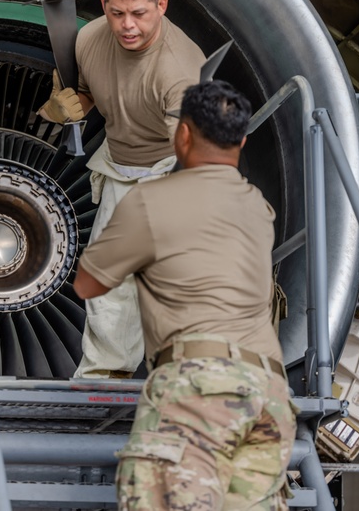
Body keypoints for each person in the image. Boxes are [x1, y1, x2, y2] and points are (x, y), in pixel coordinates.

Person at [73, 80, 295, 511]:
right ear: (243, 140)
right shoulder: (258, 207)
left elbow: (89, 284)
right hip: (269, 395)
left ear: (184, 134)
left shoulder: (152, 201)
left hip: (201, 386)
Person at [38, 0, 205, 378]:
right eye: (117, 13)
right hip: (119, 169)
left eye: (139, 14)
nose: (127, 25)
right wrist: (58, 110)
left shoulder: (180, 70)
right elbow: (82, 97)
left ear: (161, 6)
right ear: (103, 6)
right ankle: (104, 376)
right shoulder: (89, 39)